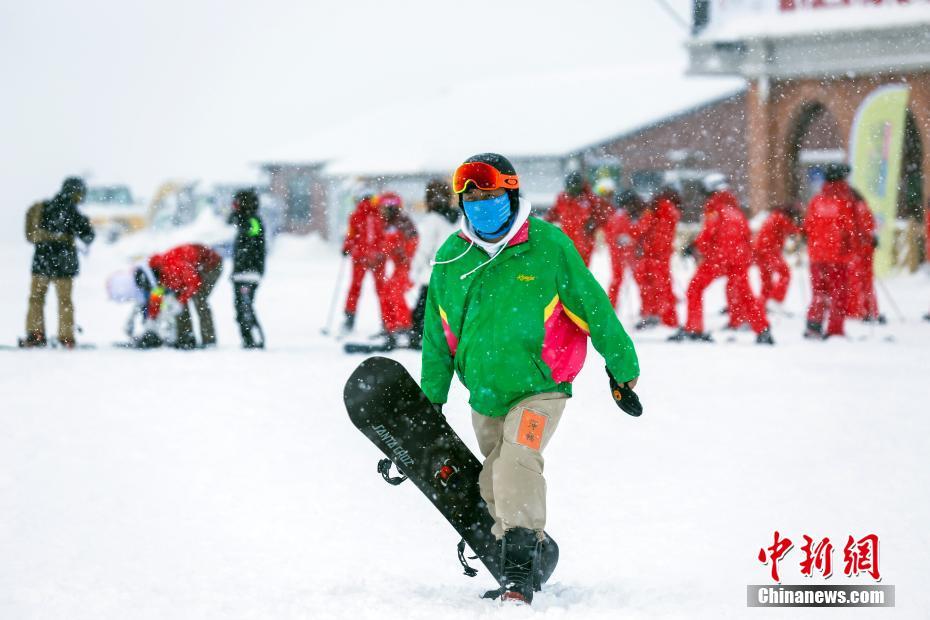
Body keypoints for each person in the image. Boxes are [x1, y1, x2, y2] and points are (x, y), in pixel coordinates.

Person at [421, 153, 641, 604]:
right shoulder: (450, 257)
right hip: (485, 394)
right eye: (473, 197)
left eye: (491, 195)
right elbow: (436, 334)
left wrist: (623, 368)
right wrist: (432, 396)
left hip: (543, 387)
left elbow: (593, 307)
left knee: (519, 459)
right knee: (494, 482)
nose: (482, 204)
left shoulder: (547, 245)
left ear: (512, 194)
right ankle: (538, 549)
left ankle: (518, 574)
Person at [671, 174, 773, 344]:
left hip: (719, 258)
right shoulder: (736, 210)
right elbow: (747, 236)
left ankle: (694, 328)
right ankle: (762, 329)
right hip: (739, 259)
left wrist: (694, 247)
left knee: (695, 288)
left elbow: (708, 234)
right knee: (746, 295)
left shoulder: (715, 209)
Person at [21, 177, 96, 348]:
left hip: (42, 260)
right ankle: (66, 337)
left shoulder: (44, 207)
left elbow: (31, 233)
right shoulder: (74, 213)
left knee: (36, 299)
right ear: (76, 193)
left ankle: (35, 334)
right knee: (65, 301)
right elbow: (88, 236)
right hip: (64, 262)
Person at [803, 164, 856, 339]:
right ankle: (835, 330)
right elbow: (851, 229)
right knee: (838, 295)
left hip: (817, 256)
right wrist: (855, 247)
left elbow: (807, 226)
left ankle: (814, 323)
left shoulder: (816, 200)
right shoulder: (845, 200)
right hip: (838, 257)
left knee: (819, 292)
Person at [138, 243, 223, 349]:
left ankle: (209, 340)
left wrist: (180, 301)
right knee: (180, 303)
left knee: (199, 299)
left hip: (210, 265)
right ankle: (186, 338)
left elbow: (194, 283)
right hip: (191, 271)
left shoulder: (173, 265)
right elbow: (156, 298)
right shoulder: (157, 278)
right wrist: (152, 318)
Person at [408, 179, 459, 349]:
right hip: (456, 273)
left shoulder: (432, 220)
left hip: (434, 274)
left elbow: (424, 249)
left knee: (422, 310)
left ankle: (416, 338)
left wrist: (414, 270)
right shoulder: (459, 217)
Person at [632, 187, 681, 329]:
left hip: (652, 254)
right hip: (662, 254)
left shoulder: (656, 211)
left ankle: (653, 314)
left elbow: (641, 229)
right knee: (663, 286)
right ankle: (668, 318)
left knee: (649, 286)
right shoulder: (671, 211)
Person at [375, 192, 418, 348]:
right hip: (399, 266)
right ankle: (391, 327)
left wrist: (406, 254)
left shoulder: (403, 222)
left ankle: (404, 327)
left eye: (384, 208)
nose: (381, 211)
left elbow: (414, 242)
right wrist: (380, 254)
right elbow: (387, 246)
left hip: (409, 266)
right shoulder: (388, 224)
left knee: (395, 292)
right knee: (386, 292)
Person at [341, 189, 386, 334]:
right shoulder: (381, 213)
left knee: (355, 288)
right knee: (382, 290)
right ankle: (387, 320)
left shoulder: (355, 215)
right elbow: (384, 236)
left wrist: (346, 248)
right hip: (378, 257)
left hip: (359, 257)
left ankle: (349, 318)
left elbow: (351, 235)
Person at [228, 189, 266, 348]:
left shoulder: (253, 221)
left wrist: (241, 220)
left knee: (245, 307)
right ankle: (248, 339)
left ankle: (254, 339)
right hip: (241, 272)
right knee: (241, 307)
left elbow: (252, 235)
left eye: (236, 203)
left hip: (249, 272)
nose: (234, 206)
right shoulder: (245, 220)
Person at [544, 171, 607, 265]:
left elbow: (603, 216)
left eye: (573, 187)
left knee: (581, 270)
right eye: (569, 187)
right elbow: (552, 215)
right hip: (566, 241)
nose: (571, 190)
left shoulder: (590, 199)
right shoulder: (562, 198)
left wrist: (594, 224)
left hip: (585, 242)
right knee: (566, 268)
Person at [752, 202, 801, 308]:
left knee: (766, 282)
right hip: (769, 251)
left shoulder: (774, 215)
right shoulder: (781, 217)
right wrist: (800, 230)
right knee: (785, 274)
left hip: (760, 251)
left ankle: (762, 305)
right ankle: (775, 300)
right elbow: (793, 230)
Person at [845, 189, 882, 323]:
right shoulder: (863, 205)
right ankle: (870, 309)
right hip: (867, 247)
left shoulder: (854, 207)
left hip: (858, 248)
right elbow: (870, 226)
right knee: (866, 280)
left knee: (855, 279)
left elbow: (856, 229)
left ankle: (857, 310)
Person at [598, 179, 634, 309]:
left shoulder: (616, 210)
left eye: (608, 193)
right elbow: (609, 231)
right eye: (603, 193)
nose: (606, 196)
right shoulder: (603, 208)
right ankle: (611, 305)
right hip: (617, 250)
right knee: (617, 277)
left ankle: (611, 304)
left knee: (630, 277)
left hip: (624, 249)